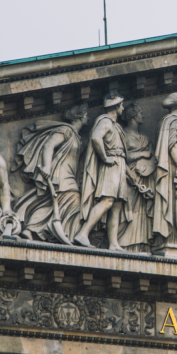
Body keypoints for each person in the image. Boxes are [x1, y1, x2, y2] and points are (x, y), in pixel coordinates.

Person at [11, 103, 89, 244]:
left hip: (70, 174)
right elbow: (49, 145)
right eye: (86, 115)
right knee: (73, 200)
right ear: (79, 116)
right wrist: (46, 166)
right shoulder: (66, 131)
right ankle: (64, 234)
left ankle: (31, 229)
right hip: (61, 173)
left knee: (51, 203)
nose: (88, 117)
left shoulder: (77, 138)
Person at [73, 92, 128, 250]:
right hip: (110, 165)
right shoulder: (106, 121)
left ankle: (113, 243)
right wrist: (104, 158)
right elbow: (96, 138)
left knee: (116, 205)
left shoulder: (115, 125)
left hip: (119, 165)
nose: (123, 108)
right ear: (116, 106)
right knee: (107, 201)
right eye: (121, 105)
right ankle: (83, 233)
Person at [152, 93, 177, 247]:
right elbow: (173, 146)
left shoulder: (165, 122)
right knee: (176, 201)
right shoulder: (175, 122)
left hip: (171, 168)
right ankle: (174, 238)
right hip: (174, 170)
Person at [114, 102, 156, 251]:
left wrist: (147, 166)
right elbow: (119, 156)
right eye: (140, 113)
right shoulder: (122, 134)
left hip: (145, 179)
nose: (143, 115)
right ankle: (122, 243)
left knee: (142, 215)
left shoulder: (145, 138)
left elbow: (153, 159)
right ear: (132, 115)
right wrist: (142, 154)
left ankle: (140, 245)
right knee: (126, 210)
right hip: (127, 177)